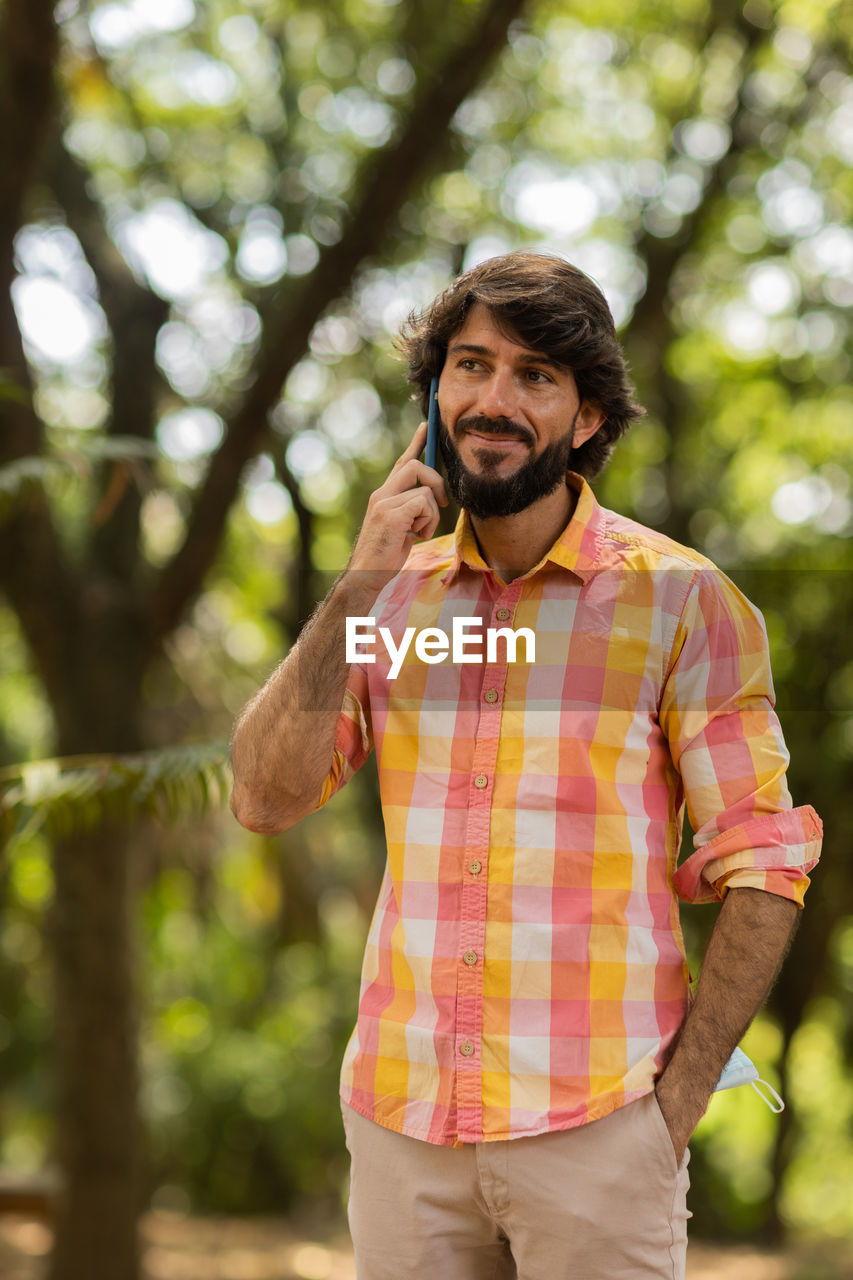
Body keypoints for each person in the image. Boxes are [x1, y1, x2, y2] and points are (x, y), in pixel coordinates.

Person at [230, 252, 822, 1279]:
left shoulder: (682, 603)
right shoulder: (395, 604)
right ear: (431, 395)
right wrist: (361, 583)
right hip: (403, 1124)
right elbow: (264, 793)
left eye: (534, 375)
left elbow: (764, 863)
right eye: (469, 365)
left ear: (588, 417)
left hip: (597, 1126)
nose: (492, 400)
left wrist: (669, 1109)